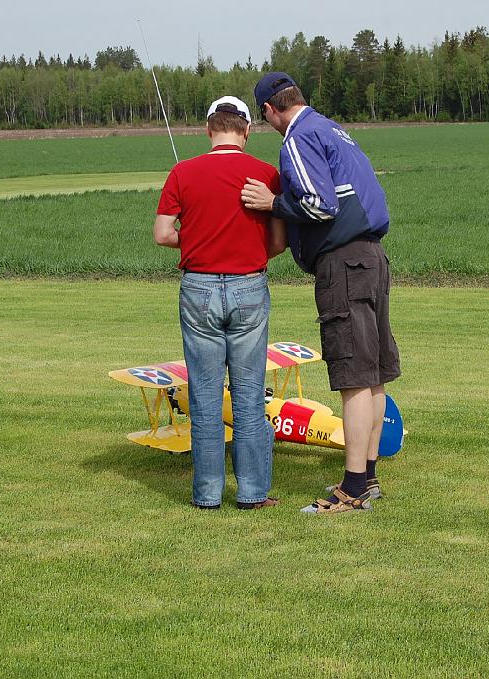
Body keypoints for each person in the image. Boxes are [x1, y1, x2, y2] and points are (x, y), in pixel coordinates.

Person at [241, 73, 401, 515]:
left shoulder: (298, 137)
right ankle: (366, 477)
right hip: (372, 257)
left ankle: (350, 490)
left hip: (343, 263)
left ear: (270, 111)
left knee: (351, 374)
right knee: (372, 374)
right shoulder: (333, 129)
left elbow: (319, 204)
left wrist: (271, 203)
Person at [154, 95, 286, 510]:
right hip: (249, 287)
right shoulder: (266, 174)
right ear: (246, 131)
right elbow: (279, 241)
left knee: (206, 395)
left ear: (209, 129)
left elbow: (162, 233)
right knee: (248, 395)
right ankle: (252, 494)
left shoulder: (183, 171)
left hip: (198, 290)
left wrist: (193, 238)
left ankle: (207, 495)